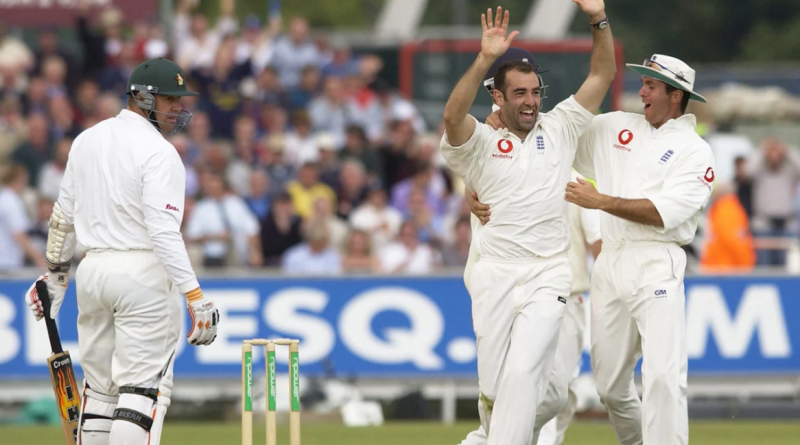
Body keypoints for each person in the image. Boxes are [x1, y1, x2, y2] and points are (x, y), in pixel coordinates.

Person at [479, 53, 714, 445]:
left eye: (651, 86)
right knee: (609, 387)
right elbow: (548, 138)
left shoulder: (695, 151)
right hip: (610, 264)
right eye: (643, 83)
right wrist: (497, 125)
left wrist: (600, 201)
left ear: (676, 95)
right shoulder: (615, 126)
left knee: (662, 376)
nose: (641, 92)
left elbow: (663, 214)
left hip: (657, 259)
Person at [439, 3, 615, 445]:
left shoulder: (560, 128)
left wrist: (598, 19)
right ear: (497, 96)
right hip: (495, 273)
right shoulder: (481, 141)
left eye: (535, 92)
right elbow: (451, 119)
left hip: (549, 272)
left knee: (523, 372)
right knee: (498, 390)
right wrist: (483, 58)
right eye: (519, 93)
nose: (531, 101)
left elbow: (601, 75)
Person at [24, 58, 220, 445]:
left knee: (100, 392)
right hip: (143, 274)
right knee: (143, 390)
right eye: (170, 100)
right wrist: (195, 297)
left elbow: (63, 217)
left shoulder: (86, 140)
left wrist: (55, 280)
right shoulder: (161, 153)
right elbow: (163, 232)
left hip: (93, 274)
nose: (178, 108)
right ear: (141, 98)